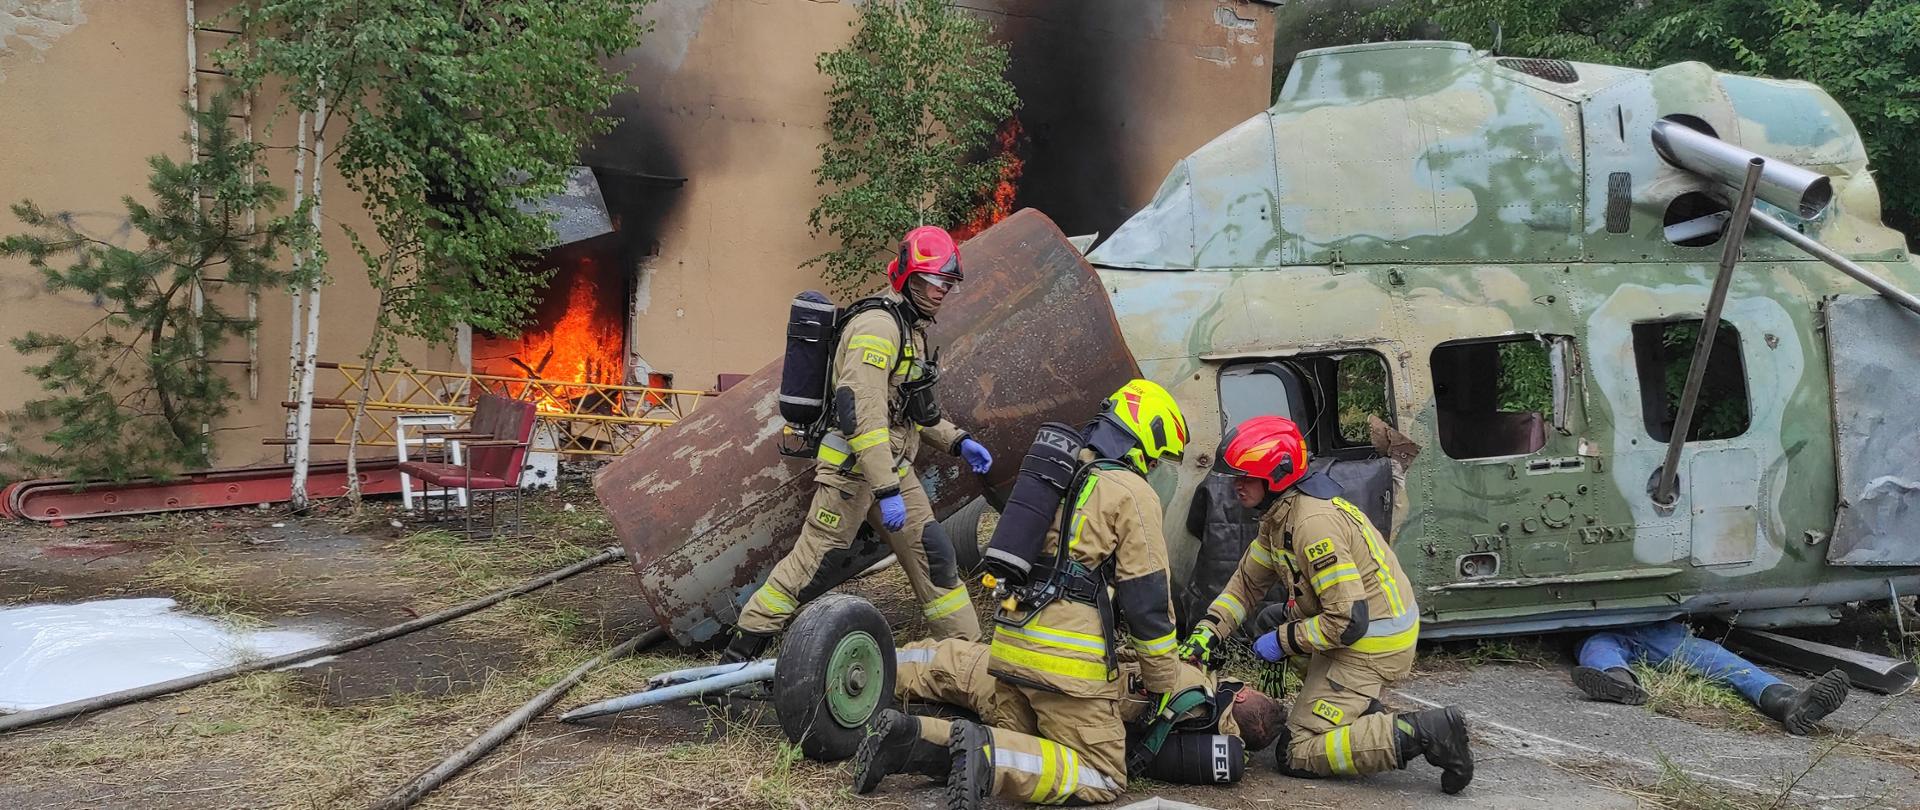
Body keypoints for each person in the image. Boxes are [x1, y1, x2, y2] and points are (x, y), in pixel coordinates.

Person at [854, 379, 1189, 808]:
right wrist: (1161, 681)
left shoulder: (1056, 473)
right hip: (1067, 670)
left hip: (1011, 647)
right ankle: (987, 760)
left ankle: (912, 737)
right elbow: (1147, 602)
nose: (1156, 468)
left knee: (1023, 742)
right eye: (1159, 458)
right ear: (1145, 442)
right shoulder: (1131, 491)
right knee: (1102, 775)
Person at [723, 226, 993, 662]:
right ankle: (738, 656)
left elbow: (911, 412)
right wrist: (886, 489)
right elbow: (862, 417)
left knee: (935, 556)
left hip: (892, 471)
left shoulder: (912, 328)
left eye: (947, 284)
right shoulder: (877, 328)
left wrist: (959, 442)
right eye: (932, 281)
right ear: (907, 276)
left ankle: (966, 658)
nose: (941, 291)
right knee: (812, 564)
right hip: (853, 475)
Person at [1179, 415, 1474, 794]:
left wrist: (1282, 641)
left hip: (1370, 643)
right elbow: (1246, 586)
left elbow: (1348, 622)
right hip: (1355, 630)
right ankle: (1359, 712)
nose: (1236, 485)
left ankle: (1427, 732)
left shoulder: (1311, 524)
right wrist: (1209, 632)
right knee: (1272, 616)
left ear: (1278, 475)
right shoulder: (1279, 516)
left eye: (1246, 476)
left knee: (1296, 752)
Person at [854, 636, 1289, 793]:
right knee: (975, 736)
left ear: (1246, 697)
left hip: (1053, 688)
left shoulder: (1192, 687)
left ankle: (862, 662)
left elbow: (1130, 652)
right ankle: (910, 736)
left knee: (952, 661)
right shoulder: (1197, 736)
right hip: (1046, 735)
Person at [1573, 620, 1851, 735]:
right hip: (1605, 626)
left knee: (1598, 648)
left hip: (1656, 626)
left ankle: (1790, 703)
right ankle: (1618, 684)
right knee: (1719, 660)